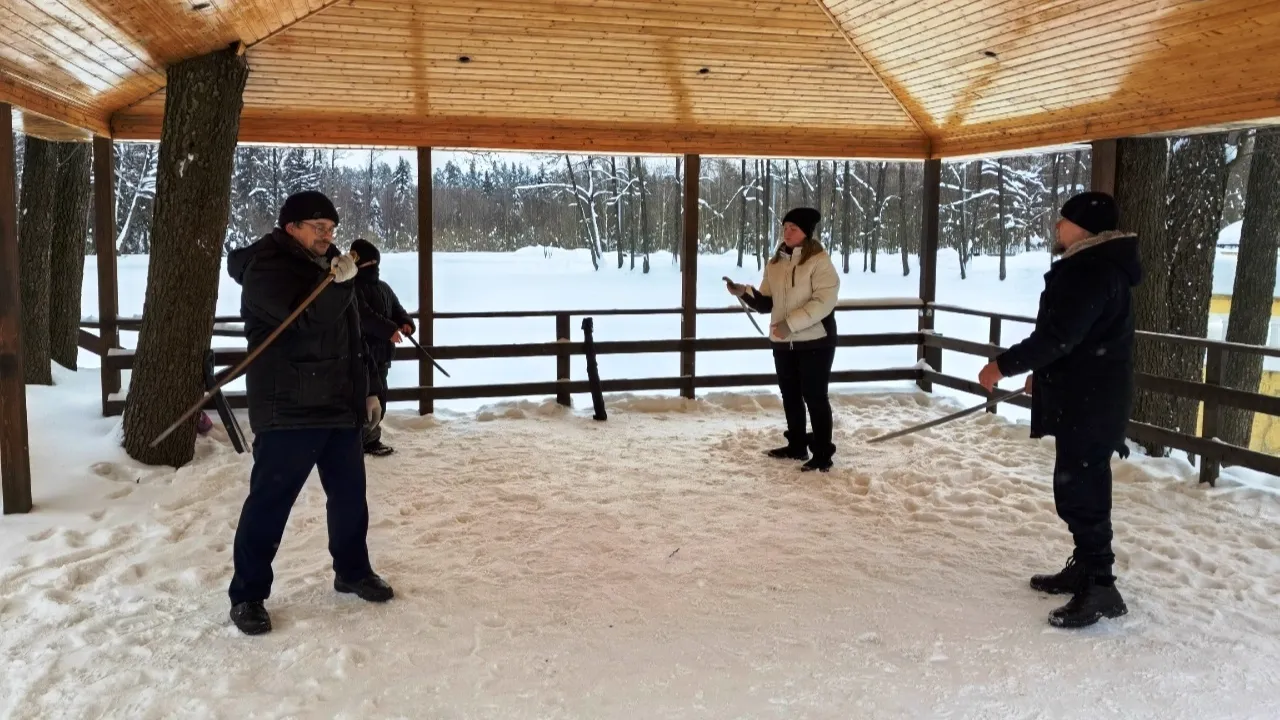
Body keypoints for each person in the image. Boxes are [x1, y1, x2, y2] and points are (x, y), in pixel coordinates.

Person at [225, 190, 393, 636]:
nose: (327, 236)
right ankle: (247, 594)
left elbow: (354, 333)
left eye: (332, 228)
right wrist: (342, 283)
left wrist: (370, 389)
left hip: (339, 405)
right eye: (318, 227)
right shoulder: (265, 269)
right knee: (270, 503)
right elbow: (305, 322)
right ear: (290, 226)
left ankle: (352, 570)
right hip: (288, 408)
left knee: (349, 498)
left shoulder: (331, 266)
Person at [978, 191, 1141, 629]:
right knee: (1076, 488)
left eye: (1063, 220)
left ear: (1083, 228)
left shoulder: (1092, 271)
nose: (1056, 227)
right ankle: (1087, 569)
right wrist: (1044, 374)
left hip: (1092, 401)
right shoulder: (1097, 267)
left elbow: (1060, 337)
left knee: (1082, 491)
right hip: (1087, 396)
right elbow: (1075, 339)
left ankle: (1102, 587)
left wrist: (1003, 365)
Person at [725, 207, 841, 472]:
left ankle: (823, 453)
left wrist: (790, 324)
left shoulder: (820, 261)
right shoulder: (775, 262)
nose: (787, 233)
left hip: (816, 342)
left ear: (806, 233)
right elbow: (767, 302)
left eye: (793, 228)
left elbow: (824, 302)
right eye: (785, 227)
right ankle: (797, 445)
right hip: (783, 343)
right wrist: (743, 292)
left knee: (815, 396)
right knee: (790, 394)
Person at [349, 238, 416, 457]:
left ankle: (370, 438)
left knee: (380, 398)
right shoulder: (352, 289)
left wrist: (405, 323)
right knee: (364, 399)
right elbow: (364, 317)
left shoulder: (384, 288)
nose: (373, 268)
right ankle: (357, 441)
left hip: (383, 356)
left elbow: (397, 309)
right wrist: (389, 330)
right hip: (361, 355)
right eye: (370, 264)